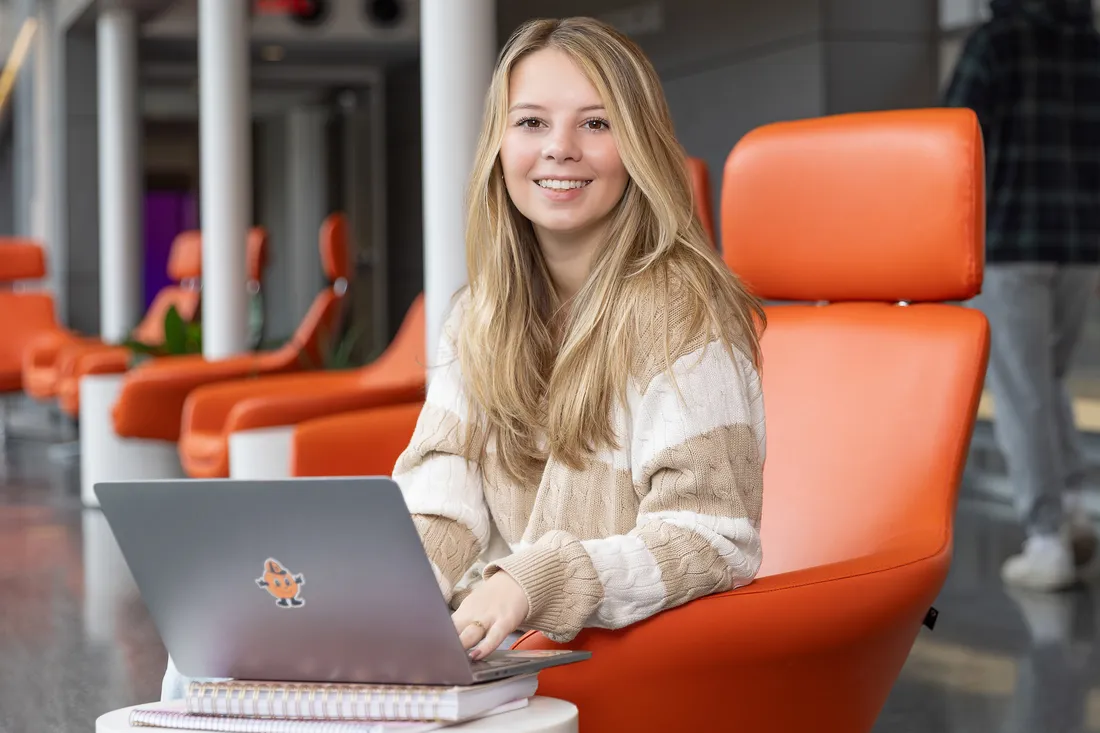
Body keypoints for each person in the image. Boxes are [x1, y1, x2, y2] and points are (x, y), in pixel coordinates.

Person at [391, 16, 766, 659]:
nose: (559, 148)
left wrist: (529, 584)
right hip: (502, 652)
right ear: (499, 147)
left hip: (618, 662)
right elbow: (441, 494)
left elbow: (713, 539)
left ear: (638, 148)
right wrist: (386, 597)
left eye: (596, 123)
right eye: (532, 122)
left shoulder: (685, 314)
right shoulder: (478, 314)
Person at [943, 0, 1100, 592]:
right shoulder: (1090, 46)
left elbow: (949, 135)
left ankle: (1045, 538)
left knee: (1020, 390)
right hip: (1080, 246)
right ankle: (1075, 509)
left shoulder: (998, 43)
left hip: (1009, 242)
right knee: (1048, 381)